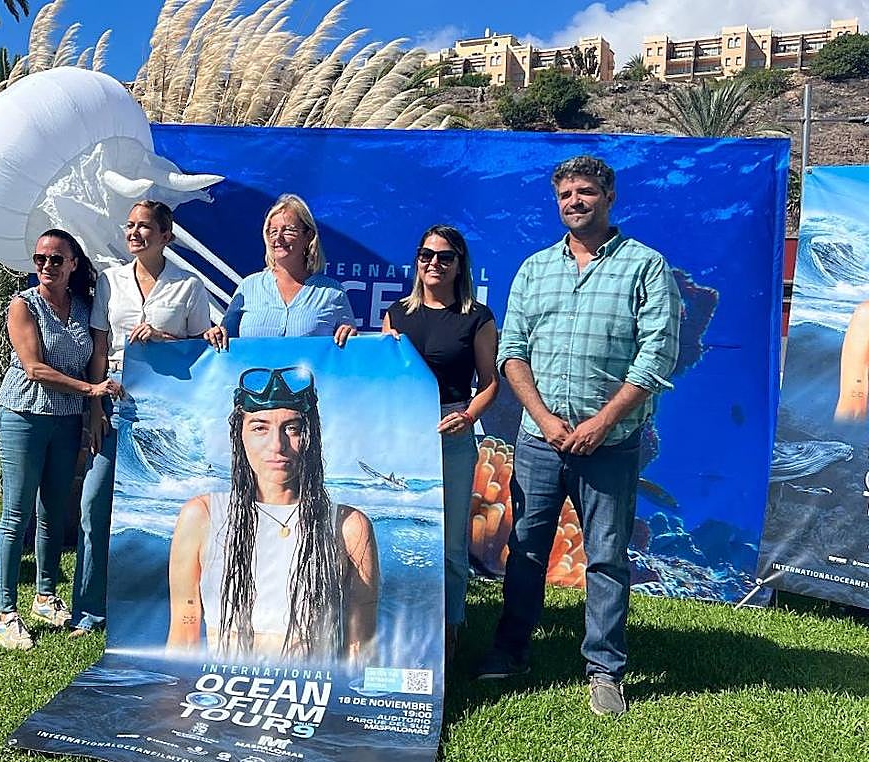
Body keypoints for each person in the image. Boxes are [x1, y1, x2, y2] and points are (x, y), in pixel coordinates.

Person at [476, 156, 681, 717]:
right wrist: (543, 419)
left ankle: (604, 670)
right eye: (565, 194)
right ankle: (511, 649)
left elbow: (658, 354)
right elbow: (511, 351)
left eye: (586, 192)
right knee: (523, 551)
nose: (574, 202)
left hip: (608, 444)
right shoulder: (534, 269)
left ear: (609, 196)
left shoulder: (645, 267)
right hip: (540, 440)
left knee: (608, 558)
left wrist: (602, 422)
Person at [165, 366, 379, 662]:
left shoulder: (349, 527)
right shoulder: (201, 516)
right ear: (239, 434)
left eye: (292, 428)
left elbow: (361, 648)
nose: (277, 446)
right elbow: (182, 635)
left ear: (311, 435)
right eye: (259, 428)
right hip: (227, 692)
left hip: (308, 697)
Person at [71, 200, 213, 637]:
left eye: (144, 227)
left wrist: (164, 337)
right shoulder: (110, 283)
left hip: (163, 407)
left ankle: (157, 606)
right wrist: (94, 407)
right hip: (113, 398)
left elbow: (199, 352)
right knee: (95, 502)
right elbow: (98, 348)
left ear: (166, 236)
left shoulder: (188, 286)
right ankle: (89, 610)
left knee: (165, 513)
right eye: (130, 225)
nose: (134, 233)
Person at [0, 229, 123, 651]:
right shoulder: (22, 305)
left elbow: (95, 358)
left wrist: (90, 414)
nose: (46, 266)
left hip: (66, 422)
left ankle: (46, 596)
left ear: (73, 264)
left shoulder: (85, 308)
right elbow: (34, 368)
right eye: (40, 259)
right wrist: (91, 392)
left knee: (52, 514)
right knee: (17, 515)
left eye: (56, 259)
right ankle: (6, 612)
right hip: (24, 415)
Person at [382, 224, 498, 656]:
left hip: (452, 427)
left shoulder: (477, 317)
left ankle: (450, 627)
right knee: (400, 531)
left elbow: (490, 383)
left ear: (459, 264)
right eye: (426, 254)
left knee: (448, 540)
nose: (434, 263)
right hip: (403, 433)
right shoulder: (396, 314)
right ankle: (402, 619)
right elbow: (384, 377)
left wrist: (468, 416)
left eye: (444, 257)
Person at [203, 194, 357, 349]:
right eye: (273, 231)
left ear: (308, 236)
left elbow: (348, 353)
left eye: (288, 230)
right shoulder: (248, 286)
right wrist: (216, 334)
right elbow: (224, 342)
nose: (278, 238)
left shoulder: (332, 292)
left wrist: (350, 337)